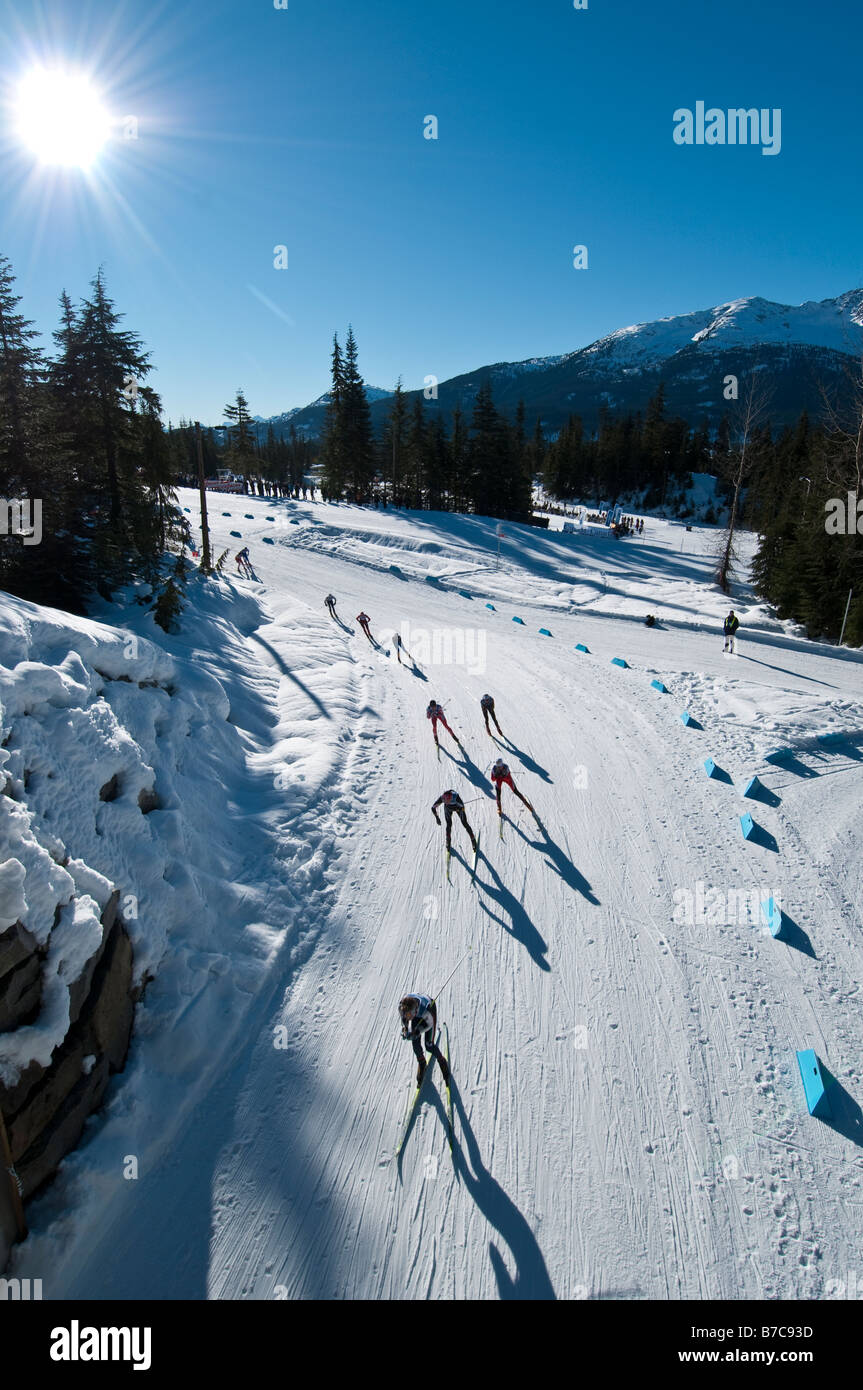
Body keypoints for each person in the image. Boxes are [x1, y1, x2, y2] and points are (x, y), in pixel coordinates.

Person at [398, 994, 450, 1086]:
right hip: (417, 1015)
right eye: (405, 1014)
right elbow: (404, 1020)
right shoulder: (403, 1009)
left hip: (429, 1014)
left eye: (409, 1015)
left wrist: (418, 1032)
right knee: (415, 1044)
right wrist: (406, 1030)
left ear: (415, 1011)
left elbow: (429, 1024)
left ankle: (442, 1060)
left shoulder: (425, 1011)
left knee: (429, 1045)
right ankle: (422, 1062)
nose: (407, 1017)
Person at [431, 788, 477, 854]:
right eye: (445, 802)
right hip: (448, 809)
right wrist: (437, 817)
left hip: (458, 808)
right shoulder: (442, 798)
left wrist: (458, 809)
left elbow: (462, 806)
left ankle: (473, 839)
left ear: (450, 798)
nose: (446, 802)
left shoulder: (456, 797)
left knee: (464, 823)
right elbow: (433, 807)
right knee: (449, 824)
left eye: (447, 801)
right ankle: (448, 840)